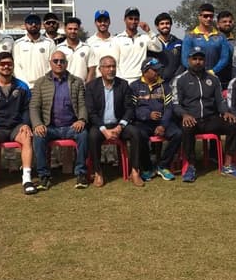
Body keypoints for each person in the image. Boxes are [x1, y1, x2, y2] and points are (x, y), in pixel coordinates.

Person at [172, 47, 236, 182]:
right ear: (189, 60)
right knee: (187, 127)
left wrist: (225, 112)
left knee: (234, 125)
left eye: (200, 59)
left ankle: (228, 165)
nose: (197, 62)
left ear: (204, 61)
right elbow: (176, 104)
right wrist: (184, 115)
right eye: (194, 59)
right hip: (191, 119)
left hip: (210, 119)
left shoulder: (213, 79)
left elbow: (220, 101)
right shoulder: (180, 79)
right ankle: (190, 166)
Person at [30, 51, 89, 189]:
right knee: (38, 136)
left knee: (84, 134)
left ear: (66, 63)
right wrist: (37, 124)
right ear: (50, 63)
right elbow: (34, 106)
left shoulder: (76, 81)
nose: (59, 64)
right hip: (50, 127)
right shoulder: (40, 82)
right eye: (55, 61)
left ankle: (81, 173)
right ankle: (44, 176)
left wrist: (81, 119)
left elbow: (82, 104)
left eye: (62, 61)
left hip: (71, 126)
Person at [0, 52, 35, 196]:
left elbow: (26, 108)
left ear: (13, 65)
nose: (6, 67)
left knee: (27, 136)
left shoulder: (22, 86)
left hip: (16, 126)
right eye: (2, 64)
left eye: (9, 64)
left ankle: (27, 179)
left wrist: (26, 124)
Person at [85, 55, 146, 187]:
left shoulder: (123, 84)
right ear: (100, 69)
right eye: (108, 67)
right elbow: (91, 112)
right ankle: (98, 172)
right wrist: (104, 130)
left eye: (113, 66)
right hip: (100, 125)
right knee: (92, 136)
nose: (111, 69)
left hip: (119, 124)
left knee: (136, 133)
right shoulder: (91, 86)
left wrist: (120, 126)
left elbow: (129, 108)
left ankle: (135, 171)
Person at [130, 58, 180, 181]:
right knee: (138, 135)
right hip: (143, 123)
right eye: (155, 70)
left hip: (162, 122)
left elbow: (169, 108)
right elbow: (131, 109)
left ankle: (163, 166)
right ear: (145, 71)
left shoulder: (165, 85)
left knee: (178, 134)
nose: (158, 72)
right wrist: (147, 115)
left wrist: (163, 125)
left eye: (159, 70)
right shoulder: (134, 86)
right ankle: (147, 168)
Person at [112, 7, 162, 83]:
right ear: (125, 20)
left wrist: (149, 31)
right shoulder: (117, 39)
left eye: (136, 19)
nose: (133, 21)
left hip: (141, 80)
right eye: (130, 19)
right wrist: (120, 81)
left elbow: (159, 48)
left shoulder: (144, 38)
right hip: (124, 80)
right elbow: (115, 62)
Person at [181, 3, 231, 78]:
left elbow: (224, 58)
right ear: (199, 17)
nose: (208, 19)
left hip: (216, 77)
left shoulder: (221, 36)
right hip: (195, 77)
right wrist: (196, 71)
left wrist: (213, 71)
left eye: (211, 16)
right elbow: (185, 59)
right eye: (205, 16)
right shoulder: (190, 36)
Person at [12, 14, 55, 88]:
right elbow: (16, 67)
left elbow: (52, 64)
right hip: (24, 86)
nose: (33, 24)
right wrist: (25, 84)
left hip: (45, 85)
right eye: (30, 22)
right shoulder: (18, 44)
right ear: (25, 25)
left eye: (36, 22)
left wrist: (45, 82)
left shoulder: (49, 43)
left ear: (40, 25)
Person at [146, 12, 183, 84]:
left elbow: (182, 64)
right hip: (156, 83)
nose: (165, 26)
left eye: (167, 23)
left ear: (171, 25)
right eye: (162, 24)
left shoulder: (179, 43)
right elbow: (148, 64)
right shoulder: (152, 44)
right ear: (157, 26)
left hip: (175, 83)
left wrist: (177, 78)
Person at [55, 17, 95, 82]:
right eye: (70, 29)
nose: (73, 31)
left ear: (79, 30)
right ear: (65, 29)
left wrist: (87, 85)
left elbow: (92, 69)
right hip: (64, 85)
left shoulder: (87, 48)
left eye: (75, 29)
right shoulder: (59, 48)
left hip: (82, 86)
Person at [87, 9, 116, 76]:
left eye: (105, 21)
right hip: (96, 79)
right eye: (100, 21)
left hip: (113, 79)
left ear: (109, 22)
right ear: (95, 23)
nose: (102, 23)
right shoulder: (89, 42)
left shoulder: (116, 40)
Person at [216, 10, 236, 89]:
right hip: (215, 81)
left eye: (230, 21)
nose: (228, 24)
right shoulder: (212, 41)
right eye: (224, 21)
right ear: (218, 24)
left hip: (232, 83)